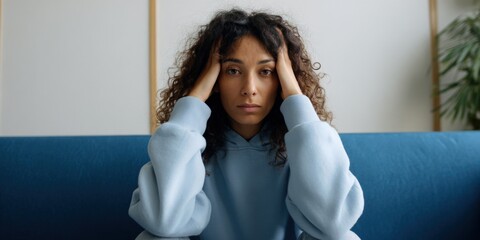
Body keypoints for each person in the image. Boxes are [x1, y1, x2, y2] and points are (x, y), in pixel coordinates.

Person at [129, 8, 364, 240]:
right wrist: (194, 100)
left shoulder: (300, 144)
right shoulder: (193, 146)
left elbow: (334, 223)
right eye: (233, 70)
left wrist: (294, 95)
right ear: (215, 79)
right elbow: (163, 221)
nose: (249, 89)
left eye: (266, 72)